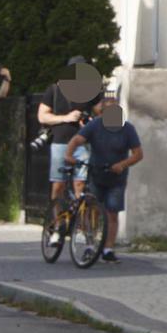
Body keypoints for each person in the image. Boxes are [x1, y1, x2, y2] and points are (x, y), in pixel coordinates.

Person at [66, 95, 143, 263]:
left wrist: (123, 164)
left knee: (112, 213)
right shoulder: (95, 125)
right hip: (96, 173)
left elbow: (138, 154)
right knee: (91, 209)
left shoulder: (127, 129)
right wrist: (69, 155)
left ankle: (108, 249)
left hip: (117, 176)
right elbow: (77, 139)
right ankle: (89, 245)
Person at [39, 57, 91, 217]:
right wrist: (65, 118)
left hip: (81, 144)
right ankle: (58, 222)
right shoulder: (54, 90)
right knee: (58, 184)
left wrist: (89, 122)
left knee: (80, 183)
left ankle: (81, 225)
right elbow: (42, 116)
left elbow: (101, 111)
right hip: (60, 142)